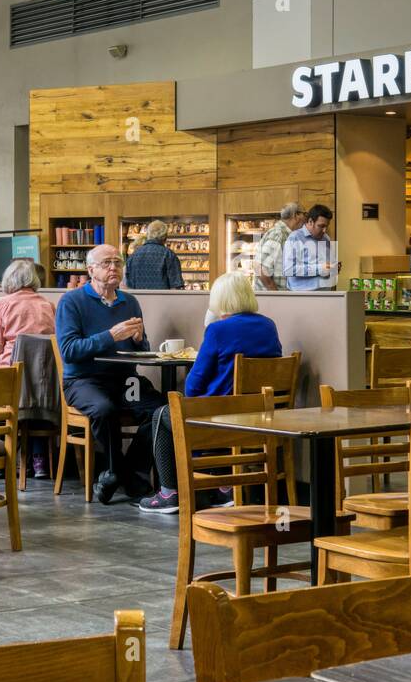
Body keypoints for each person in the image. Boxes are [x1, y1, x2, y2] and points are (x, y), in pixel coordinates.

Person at [139, 272, 282, 514]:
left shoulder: (217, 330)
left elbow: (193, 385)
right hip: (260, 416)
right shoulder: (269, 325)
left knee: (162, 415)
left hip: (221, 418)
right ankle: (224, 486)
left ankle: (169, 492)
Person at [56, 244, 165, 503]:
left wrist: (139, 341)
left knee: (162, 410)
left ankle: (123, 470)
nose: (114, 267)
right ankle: (125, 476)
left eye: (117, 262)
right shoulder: (72, 301)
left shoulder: (130, 302)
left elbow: (143, 350)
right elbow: (69, 351)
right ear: (91, 269)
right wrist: (110, 336)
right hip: (84, 379)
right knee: (104, 409)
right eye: (107, 263)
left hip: (126, 380)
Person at [0, 258, 56, 476]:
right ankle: (39, 461)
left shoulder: (2, 304)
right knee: (33, 401)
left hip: (11, 382)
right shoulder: (48, 305)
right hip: (45, 385)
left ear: (9, 281)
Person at [283, 204, 340, 291]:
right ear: (310, 221)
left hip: (326, 295)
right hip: (304, 297)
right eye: (321, 226)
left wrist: (333, 268)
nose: (324, 230)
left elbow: (326, 266)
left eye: (326, 226)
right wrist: (320, 268)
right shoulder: (295, 238)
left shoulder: (326, 238)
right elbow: (288, 269)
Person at [255, 202, 305, 291]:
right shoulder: (279, 235)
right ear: (296, 215)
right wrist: (276, 295)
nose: (305, 218)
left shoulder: (287, 235)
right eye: (304, 214)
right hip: (272, 300)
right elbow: (261, 269)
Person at [124, 220, 184, 290]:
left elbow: (128, 286)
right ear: (165, 237)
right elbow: (176, 287)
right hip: (162, 300)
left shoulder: (133, 256)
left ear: (148, 234)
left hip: (139, 300)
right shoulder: (169, 255)